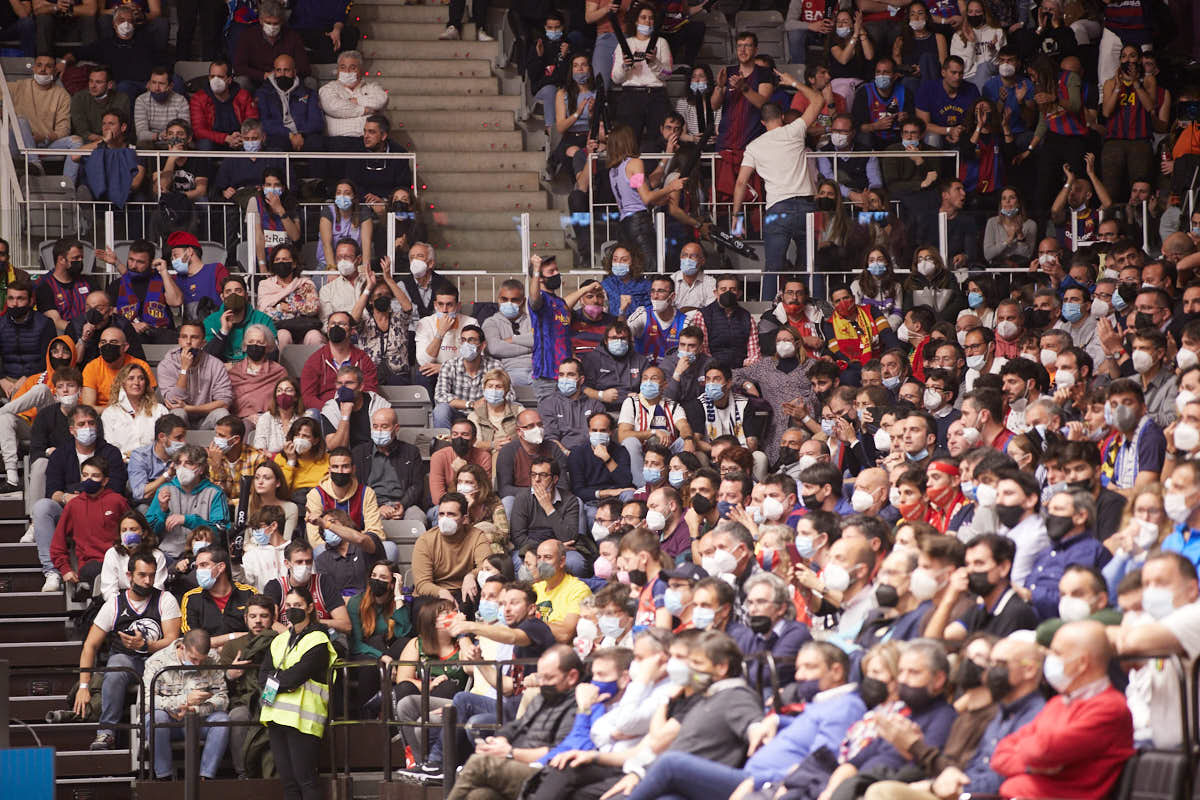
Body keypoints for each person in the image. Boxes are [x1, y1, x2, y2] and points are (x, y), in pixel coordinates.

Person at [990, 620, 1134, 799]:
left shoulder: (1110, 708)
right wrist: (1031, 766)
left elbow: (1044, 750)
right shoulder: (1057, 703)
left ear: (1082, 663)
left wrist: (1028, 747)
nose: (1049, 659)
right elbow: (1000, 753)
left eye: (1057, 653)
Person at [444, 646, 582, 800]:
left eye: (549, 678)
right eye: (540, 677)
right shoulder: (542, 698)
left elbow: (559, 751)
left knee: (479, 763)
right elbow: (516, 726)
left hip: (545, 772)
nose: (542, 684)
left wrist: (510, 752)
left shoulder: (578, 705)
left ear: (572, 677)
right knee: (480, 795)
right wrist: (499, 741)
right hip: (518, 761)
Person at [76, 550, 181, 751]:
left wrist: (146, 646)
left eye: (151, 575)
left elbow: (172, 640)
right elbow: (90, 645)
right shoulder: (114, 604)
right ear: (129, 576)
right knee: (116, 665)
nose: (148, 580)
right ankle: (106, 733)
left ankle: (151, 734)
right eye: (142, 575)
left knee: (160, 668)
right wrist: (83, 686)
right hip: (128, 664)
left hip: (159, 665)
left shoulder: (165, 599)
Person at [34, 405, 127, 591]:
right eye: (82, 424)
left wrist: (78, 491)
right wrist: (67, 497)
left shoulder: (111, 452)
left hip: (103, 508)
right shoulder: (60, 454)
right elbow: (53, 491)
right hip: (68, 507)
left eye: (91, 423)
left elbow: (115, 487)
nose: (87, 428)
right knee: (42, 507)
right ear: (72, 429)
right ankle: (52, 572)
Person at [259, 585, 337, 800]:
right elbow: (262, 676)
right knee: (289, 784)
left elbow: (296, 675)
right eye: (289, 605)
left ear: (310, 607)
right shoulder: (278, 640)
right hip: (275, 716)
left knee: (306, 780)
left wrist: (278, 679)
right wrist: (282, 680)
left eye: (299, 605)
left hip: (303, 719)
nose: (293, 609)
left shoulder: (319, 640)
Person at [142, 629, 231, 780]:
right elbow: (146, 701)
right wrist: (184, 701)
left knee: (222, 720)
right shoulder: (157, 662)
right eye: (194, 659)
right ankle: (164, 777)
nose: (198, 664)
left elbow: (223, 698)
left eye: (201, 660)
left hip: (199, 719)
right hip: (170, 720)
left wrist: (195, 709)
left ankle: (206, 777)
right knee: (156, 718)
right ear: (182, 647)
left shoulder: (212, 659)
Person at [0, 335, 77, 494]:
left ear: (73, 355)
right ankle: (13, 478)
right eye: (55, 352)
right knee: (5, 417)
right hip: (31, 426)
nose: (60, 355)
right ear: (49, 355)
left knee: (41, 390)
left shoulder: (77, 380)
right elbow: (16, 406)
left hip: (59, 425)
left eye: (65, 352)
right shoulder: (35, 379)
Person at [218, 594, 278, 779]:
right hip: (242, 701)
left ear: (273, 619)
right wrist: (230, 674)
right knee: (238, 716)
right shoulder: (232, 646)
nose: (258, 621)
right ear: (245, 619)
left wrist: (267, 699)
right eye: (253, 616)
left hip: (274, 699)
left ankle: (275, 775)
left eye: (263, 616)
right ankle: (243, 774)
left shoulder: (281, 642)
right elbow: (217, 683)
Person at [145, 443, 230, 561]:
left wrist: (188, 520)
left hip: (204, 556)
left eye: (188, 463)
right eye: (179, 463)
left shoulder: (214, 493)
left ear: (201, 469)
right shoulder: (165, 490)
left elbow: (221, 533)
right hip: (169, 555)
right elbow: (149, 533)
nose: (182, 468)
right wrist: (163, 510)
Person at [347, 562, 411, 709]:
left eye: (383, 577)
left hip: (391, 652)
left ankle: (389, 707)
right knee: (373, 654)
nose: (376, 580)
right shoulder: (356, 602)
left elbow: (404, 633)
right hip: (364, 653)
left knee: (406, 642)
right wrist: (383, 657)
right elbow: (355, 644)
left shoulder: (397, 602)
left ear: (392, 583)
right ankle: (367, 712)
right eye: (374, 576)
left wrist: (398, 596)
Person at [11, 55, 81, 183]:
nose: (43, 69)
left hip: (45, 143)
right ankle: (35, 164)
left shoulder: (62, 95)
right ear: (33, 69)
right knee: (20, 120)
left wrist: (45, 137)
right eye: (39, 65)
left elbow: (63, 129)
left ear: (54, 71)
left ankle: (68, 188)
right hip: (19, 144)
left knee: (76, 142)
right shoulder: (19, 86)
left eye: (48, 66)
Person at [350, 406, 426, 523]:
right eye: (375, 426)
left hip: (405, 504)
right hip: (372, 505)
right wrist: (378, 506)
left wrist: (402, 505)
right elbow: (356, 487)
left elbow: (417, 485)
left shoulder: (411, 452)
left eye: (384, 426)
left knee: (418, 518)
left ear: (396, 428)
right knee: (369, 520)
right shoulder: (359, 453)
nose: (379, 431)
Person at [299, 311, 379, 412]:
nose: (336, 327)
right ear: (327, 329)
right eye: (332, 324)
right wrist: (332, 409)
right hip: (325, 413)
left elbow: (370, 392)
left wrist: (352, 408)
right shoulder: (315, 360)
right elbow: (308, 398)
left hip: (356, 411)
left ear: (352, 330)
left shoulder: (363, 359)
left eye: (342, 324)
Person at [181, 544, 255, 648]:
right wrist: (234, 636)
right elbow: (193, 642)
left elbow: (260, 633)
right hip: (206, 658)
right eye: (196, 567)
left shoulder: (249, 593)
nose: (198, 571)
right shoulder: (191, 598)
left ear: (221, 567)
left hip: (244, 653)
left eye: (203, 565)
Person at [352, 265, 412, 386]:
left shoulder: (398, 319)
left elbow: (407, 307)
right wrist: (369, 287)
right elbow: (353, 319)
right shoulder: (365, 322)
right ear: (370, 300)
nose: (383, 298)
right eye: (379, 295)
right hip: (370, 376)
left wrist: (389, 280)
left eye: (386, 295)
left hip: (399, 376)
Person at [255, 244, 324, 348]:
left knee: (315, 336)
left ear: (294, 264)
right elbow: (264, 311)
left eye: (285, 259)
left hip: (304, 328)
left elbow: (313, 308)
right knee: (283, 335)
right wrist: (282, 307)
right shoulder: (265, 285)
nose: (281, 262)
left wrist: (289, 307)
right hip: (277, 328)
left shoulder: (304, 283)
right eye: (277, 260)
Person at [254, 54, 325, 154]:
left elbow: (317, 122)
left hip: (304, 135)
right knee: (275, 146)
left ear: (294, 72)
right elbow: (264, 122)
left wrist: (301, 135)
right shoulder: (263, 94)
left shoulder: (308, 93)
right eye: (279, 70)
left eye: (286, 70)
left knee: (317, 144)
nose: (282, 74)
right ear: (274, 72)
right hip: (279, 135)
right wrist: (289, 134)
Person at [204, 275, 278, 364]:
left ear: (246, 296)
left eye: (238, 291)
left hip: (254, 370)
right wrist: (223, 331)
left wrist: (238, 367)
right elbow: (206, 356)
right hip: (220, 371)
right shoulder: (210, 321)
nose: (233, 295)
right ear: (222, 297)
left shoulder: (263, 319)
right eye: (228, 292)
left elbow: (272, 352)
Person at [101, 363, 167, 460]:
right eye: (131, 378)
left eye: (141, 378)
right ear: (122, 383)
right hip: (122, 464)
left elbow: (167, 441)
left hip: (153, 463)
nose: (136, 382)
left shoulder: (159, 410)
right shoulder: (110, 413)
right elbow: (109, 446)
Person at [483, 279, 535, 387]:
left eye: (514, 300)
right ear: (498, 300)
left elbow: (540, 340)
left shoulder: (533, 320)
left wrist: (513, 339)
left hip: (536, 372)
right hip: (506, 374)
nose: (509, 303)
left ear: (523, 301)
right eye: (504, 299)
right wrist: (531, 347)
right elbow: (495, 348)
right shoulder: (491, 322)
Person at [318, 185, 373, 272]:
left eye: (347, 193)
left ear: (354, 197)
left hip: (354, 265)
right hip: (328, 264)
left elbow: (367, 243)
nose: (342, 196)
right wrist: (332, 269)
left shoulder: (363, 211)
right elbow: (326, 244)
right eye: (339, 193)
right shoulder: (328, 211)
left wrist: (365, 269)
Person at [276, 418, 329, 505]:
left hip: (318, 502)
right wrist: (291, 461)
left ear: (315, 440)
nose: (300, 439)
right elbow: (281, 491)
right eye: (297, 435)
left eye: (306, 436)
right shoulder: (281, 458)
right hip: (292, 503)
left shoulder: (327, 459)